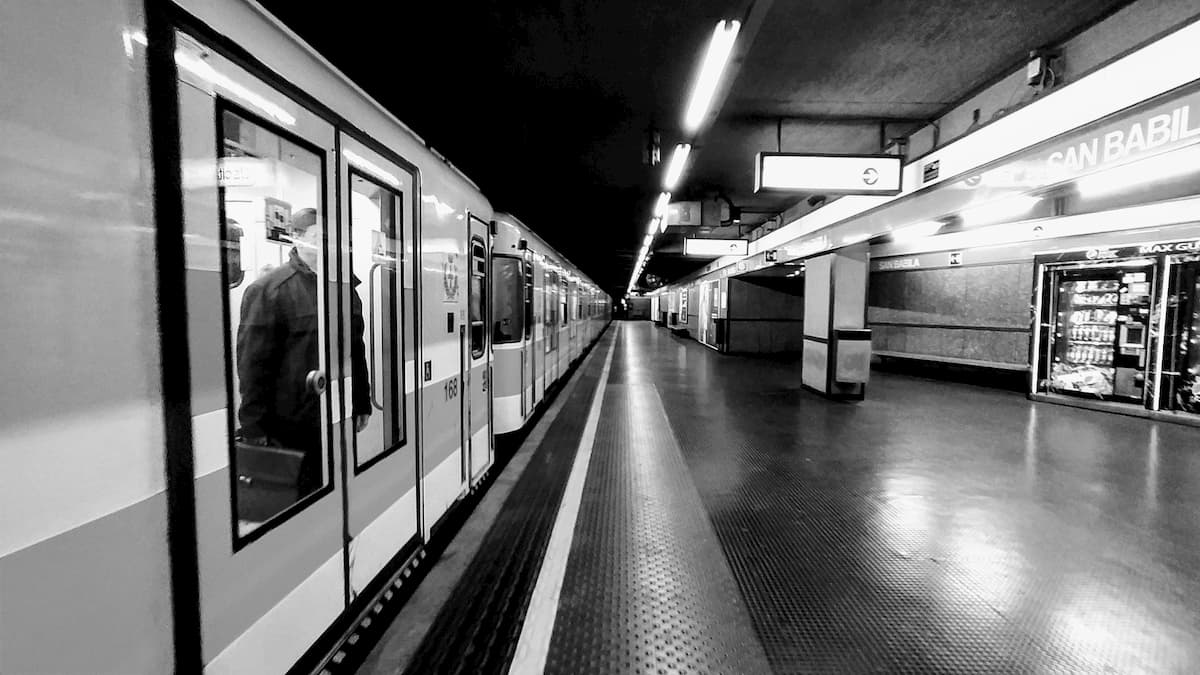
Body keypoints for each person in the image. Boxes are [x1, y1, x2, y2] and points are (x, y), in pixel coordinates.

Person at [236, 208, 371, 497]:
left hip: (337, 414)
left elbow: (356, 349)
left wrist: (361, 401)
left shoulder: (345, 287)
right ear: (296, 238)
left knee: (339, 489)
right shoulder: (269, 290)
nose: (328, 244)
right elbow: (252, 365)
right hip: (290, 423)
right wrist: (253, 428)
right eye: (319, 237)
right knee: (301, 496)